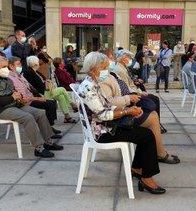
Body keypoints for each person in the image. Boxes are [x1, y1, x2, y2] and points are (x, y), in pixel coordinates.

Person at [77, 51, 166, 194]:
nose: (107, 71)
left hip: (106, 125)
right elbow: (104, 115)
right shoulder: (89, 87)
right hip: (102, 132)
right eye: (105, 68)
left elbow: (105, 106)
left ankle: (137, 169)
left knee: (146, 134)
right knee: (147, 136)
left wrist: (129, 109)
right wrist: (127, 112)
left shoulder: (93, 82)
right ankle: (147, 178)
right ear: (95, 70)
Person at [0, 56, 63, 158]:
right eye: (4, 66)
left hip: (15, 105)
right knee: (27, 117)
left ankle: (48, 142)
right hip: (1, 110)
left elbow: (13, 93)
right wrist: (12, 97)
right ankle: (39, 148)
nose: (6, 69)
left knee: (40, 113)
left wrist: (18, 96)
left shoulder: (6, 79)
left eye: (7, 66)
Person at [100, 65, 180, 164]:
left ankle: (151, 158)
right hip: (112, 122)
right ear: (95, 68)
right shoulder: (100, 81)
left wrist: (132, 100)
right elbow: (107, 105)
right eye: (106, 63)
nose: (110, 64)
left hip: (120, 109)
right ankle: (157, 155)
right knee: (151, 122)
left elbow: (126, 87)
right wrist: (128, 104)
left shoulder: (110, 75)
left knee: (151, 116)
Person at [113, 49, 167, 134]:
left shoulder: (122, 68)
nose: (130, 60)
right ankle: (155, 124)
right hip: (129, 95)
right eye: (129, 58)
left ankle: (156, 123)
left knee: (151, 96)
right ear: (123, 59)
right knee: (154, 99)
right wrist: (140, 93)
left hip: (131, 92)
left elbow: (130, 84)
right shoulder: (120, 70)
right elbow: (127, 87)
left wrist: (140, 91)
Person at [7, 56, 62, 138]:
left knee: (51, 102)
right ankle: (48, 130)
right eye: (18, 64)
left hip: (31, 97)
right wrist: (36, 98)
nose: (20, 66)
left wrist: (39, 96)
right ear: (11, 66)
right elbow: (23, 98)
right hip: (26, 102)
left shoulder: (19, 75)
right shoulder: (12, 78)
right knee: (49, 105)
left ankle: (49, 128)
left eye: (20, 64)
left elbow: (30, 87)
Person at [23, 56, 78, 123]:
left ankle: (67, 117)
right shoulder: (28, 72)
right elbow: (32, 85)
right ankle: (73, 104)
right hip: (42, 93)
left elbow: (44, 80)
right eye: (38, 62)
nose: (39, 63)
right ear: (35, 64)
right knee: (62, 89)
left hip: (48, 91)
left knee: (61, 97)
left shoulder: (36, 72)